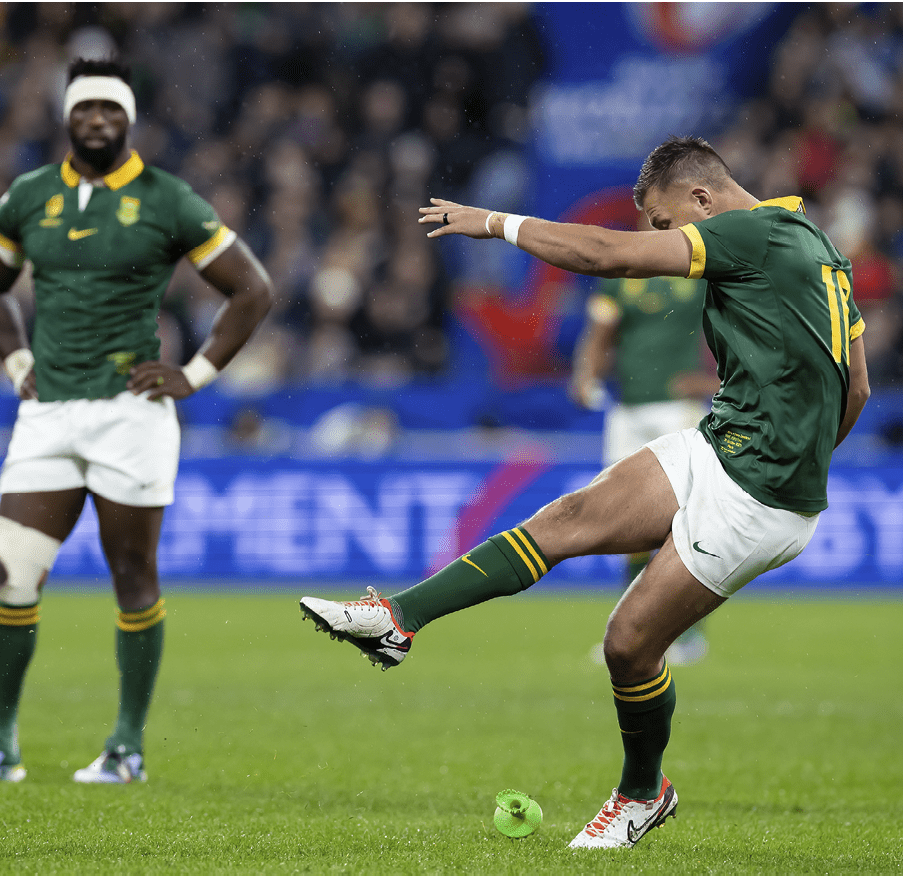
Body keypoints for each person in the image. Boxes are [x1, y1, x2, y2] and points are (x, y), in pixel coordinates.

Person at [300, 136, 869, 848]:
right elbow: (859, 386)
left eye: (665, 224)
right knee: (565, 517)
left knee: (627, 645)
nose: (667, 239)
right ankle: (394, 618)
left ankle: (641, 793)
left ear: (699, 199)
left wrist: (498, 224)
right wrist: (800, 444)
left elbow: (606, 257)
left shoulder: (749, 234)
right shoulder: (814, 244)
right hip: (721, 444)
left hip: (758, 495)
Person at [0, 58, 272, 784]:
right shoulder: (29, 196)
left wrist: (196, 374)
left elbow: (251, 289)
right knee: (10, 575)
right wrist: (15, 359)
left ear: (130, 120)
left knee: (133, 577)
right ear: (67, 118)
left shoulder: (167, 200)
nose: (97, 121)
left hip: (131, 415)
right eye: (85, 108)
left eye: (110, 110)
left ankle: (126, 746)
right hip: (47, 412)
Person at [569, 230, 720, 665]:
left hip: (677, 406)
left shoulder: (698, 265)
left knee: (682, 522)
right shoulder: (619, 271)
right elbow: (600, 332)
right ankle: (630, 635)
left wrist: (713, 383)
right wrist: (585, 375)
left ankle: (689, 635)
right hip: (627, 409)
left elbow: (733, 328)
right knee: (624, 523)